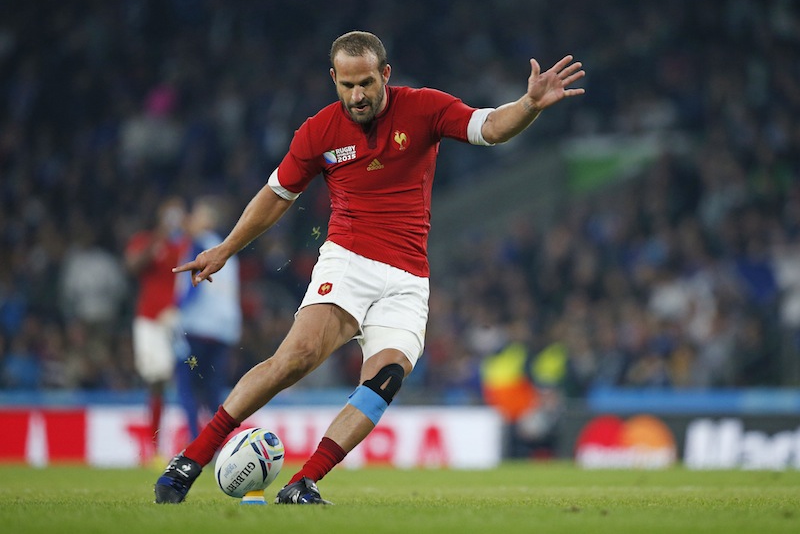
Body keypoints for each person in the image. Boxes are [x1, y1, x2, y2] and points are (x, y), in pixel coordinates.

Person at [154, 30, 584, 504]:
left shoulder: (424, 107)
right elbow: (276, 196)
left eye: (366, 84)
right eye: (347, 85)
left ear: (386, 75)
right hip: (349, 259)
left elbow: (490, 127)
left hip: (408, 279)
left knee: (386, 378)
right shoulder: (317, 131)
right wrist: (227, 248)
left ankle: (304, 483)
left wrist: (528, 105)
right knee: (294, 359)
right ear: (334, 79)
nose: (357, 96)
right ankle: (188, 461)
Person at [125, 196, 188, 463]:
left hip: (180, 320)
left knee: (191, 377)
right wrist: (158, 239)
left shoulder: (186, 245)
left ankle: (195, 440)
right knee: (157, 379)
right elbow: (132, 267)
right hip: (150, 320)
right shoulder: (145, 240)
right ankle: (154, 446)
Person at [174, 197, 242, 441]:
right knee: (213, 393)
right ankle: (217, 445)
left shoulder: (198, 247)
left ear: (208, 221)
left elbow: (193, 285)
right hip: (222, 334)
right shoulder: (229, 254)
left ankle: (194, 441)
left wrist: (175, 311)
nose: (190, 219)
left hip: (196, 330)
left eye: (197, 214)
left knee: (186, 386)